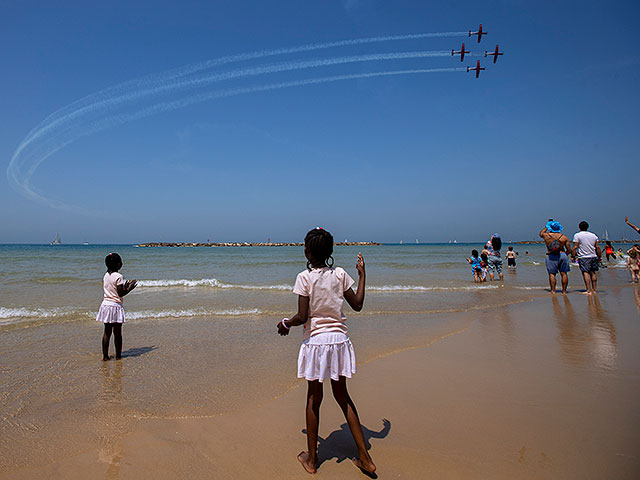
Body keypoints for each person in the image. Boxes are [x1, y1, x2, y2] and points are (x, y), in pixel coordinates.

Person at [276, 227, 375, 475]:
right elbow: (358, 305)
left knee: (313, 398)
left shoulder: (304, 278)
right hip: (340, 341)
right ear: (330, 252)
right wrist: (362, 275)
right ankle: (365, 457)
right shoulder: (340, 274)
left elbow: (302, 316)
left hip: (317, 343)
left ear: (308, 252)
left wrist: (285, 323)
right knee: (343, 397)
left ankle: (312, 460)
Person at [96, 253, 137, 360]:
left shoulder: (106, 275)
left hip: (106, 305)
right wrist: (129, 288)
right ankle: (118, 356)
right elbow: (120, 293)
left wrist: (125, 286)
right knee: (117, 333)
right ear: (118, 265)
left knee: (107, 332)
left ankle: (105, 356)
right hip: (115, 306)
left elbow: (112, 289)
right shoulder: (119, 276)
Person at [539, 221, 572, 294]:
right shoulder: (564, 237)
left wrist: (546, 227)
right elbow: (569, 250)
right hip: (562, 254)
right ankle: (564, 291)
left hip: (551, 255)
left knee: (552, 274)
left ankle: (553, 291)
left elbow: (540, 234)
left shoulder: (546, 236)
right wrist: (565, 254)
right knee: (564, 274)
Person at [572, 221, 602, 295]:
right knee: (593, 272)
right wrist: (599, 256)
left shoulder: (577, 235)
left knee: (585, 272)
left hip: (584, 256)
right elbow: (597, 247)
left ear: (579, 227)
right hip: (593, 255)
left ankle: (588, 290)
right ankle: (594, 289)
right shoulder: (594, 235)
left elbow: (575, 247)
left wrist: (573, 256)